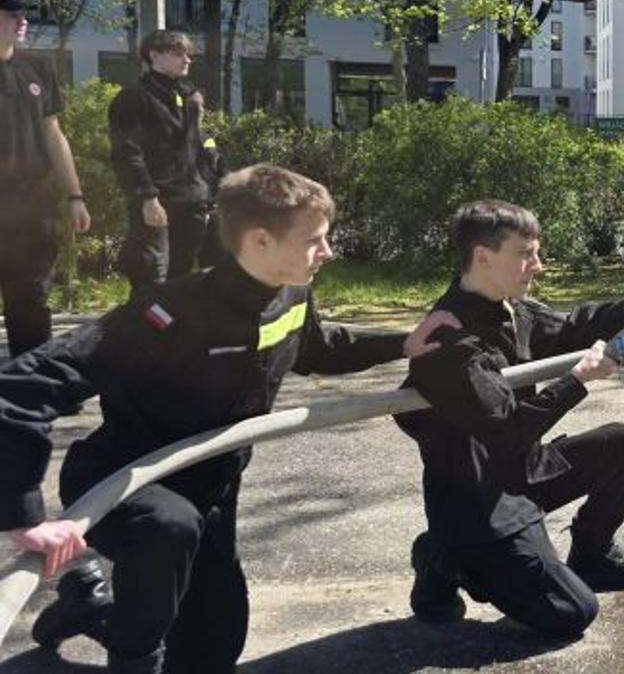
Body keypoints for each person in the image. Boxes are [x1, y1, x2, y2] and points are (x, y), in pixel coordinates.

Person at [1, 164, 444, 674]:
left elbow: (319, 348)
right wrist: (26, 516)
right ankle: (134, 662)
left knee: (213, 649)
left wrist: (404, 343)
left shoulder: (291, 294)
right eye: (315, 240)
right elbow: (20, 390)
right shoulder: (166, 315)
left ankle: (86, 608)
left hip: (213, 490)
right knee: (169, 531)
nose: (328, 252)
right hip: (124, 485)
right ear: (259, 240)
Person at [399, 200, 624, 638]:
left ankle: (594, 557)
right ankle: (443, 555)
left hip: (523, 471)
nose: (538, 265)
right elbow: (506, 432)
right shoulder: (449, 340)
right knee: (571, 611)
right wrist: (577, 380)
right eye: (525, 254)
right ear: (483, 257)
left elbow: (570, 329)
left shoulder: (512, 308)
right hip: (479, 504)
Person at [0, 0, 91, 359]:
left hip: (32, 201)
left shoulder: (37, 67)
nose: (22, 21)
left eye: (23, 14)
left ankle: (32, 381)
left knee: (32, 295)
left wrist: (75, 196)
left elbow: (54, 134)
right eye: (11, 15)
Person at [109, 30, 219, 296]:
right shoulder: (133, 98)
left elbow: (201, 146)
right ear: (154, 54)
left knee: (183, 279)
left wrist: (214, 186)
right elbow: (127, 152)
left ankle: (176, 335)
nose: (186, 60)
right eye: (177, 53)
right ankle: (144, 334)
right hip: (157, 200)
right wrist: (147, 197)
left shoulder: (189, 99)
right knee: (151, 277)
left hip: (192, 199)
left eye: (188, 55)